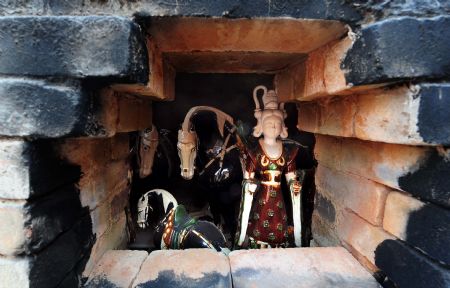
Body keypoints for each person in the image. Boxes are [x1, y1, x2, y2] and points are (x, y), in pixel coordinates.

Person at [236, 85, 303, 248]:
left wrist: (295, 185)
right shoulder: (255, 151)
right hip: (262, 198)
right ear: (260, 126)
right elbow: (248, 178)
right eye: (269, 122)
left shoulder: (288, 152)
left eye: (277, 123)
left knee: (280, 224)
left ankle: (280, 246)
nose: (273, 126)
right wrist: (249, 185)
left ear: (283, 127)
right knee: (259, 223)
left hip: (279, 198)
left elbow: (291, 177)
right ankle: (254, 244)